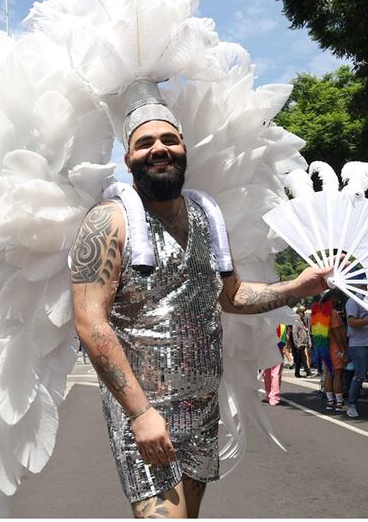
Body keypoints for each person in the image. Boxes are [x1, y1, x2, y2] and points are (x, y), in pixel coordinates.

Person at [70, 81, 332, 519]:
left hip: (201, 409)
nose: (159, 149)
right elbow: (90, 322)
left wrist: (297, 288)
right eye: (145, 143)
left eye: (169, 139)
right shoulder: (108, 221)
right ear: (128, 158)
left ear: (184, 149)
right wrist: (140, 414)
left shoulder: (206, 219)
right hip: (146, 412)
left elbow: (232, 297)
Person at [310, 292, 341, 410]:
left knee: (329, 373)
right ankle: (339, 402)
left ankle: (330, 400)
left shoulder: (317, 313)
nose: (337, 299)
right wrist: (343, 347)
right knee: (338, 374)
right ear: (330, 299)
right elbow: (336, 333)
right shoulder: (332, 313)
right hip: (334, 348)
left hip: (322, 347)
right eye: (335, 297)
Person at [291, 308, 312, 377]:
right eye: (302, 312)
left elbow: (306, 332)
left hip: (304, 342)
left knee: (299, 359)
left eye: (304, 312)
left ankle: (297, 373)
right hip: (300, 343)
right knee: (303, 357)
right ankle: (308, 371)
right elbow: (294, 333)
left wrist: (309, 341)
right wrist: (297, 343)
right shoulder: (296, 322)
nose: (304, 314)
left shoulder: (302, 322)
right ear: (298, 313)